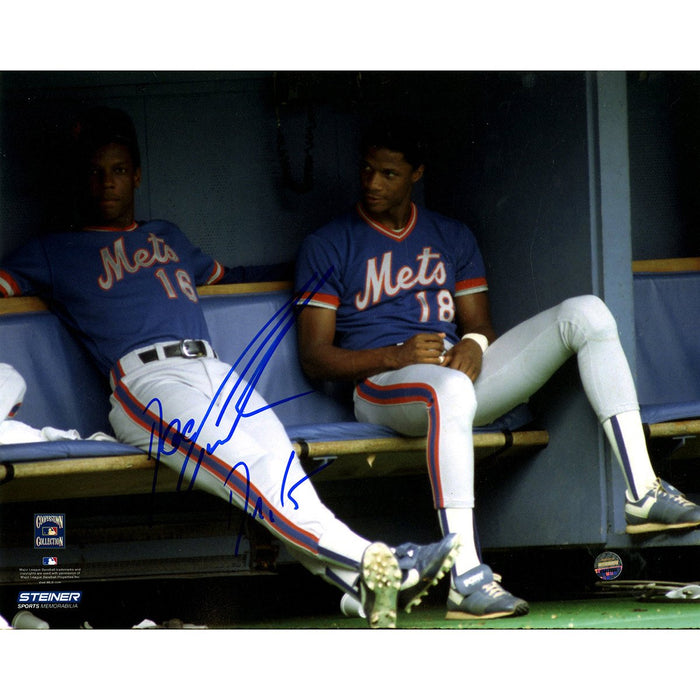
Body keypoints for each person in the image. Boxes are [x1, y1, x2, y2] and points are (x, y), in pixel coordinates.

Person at [0, 107, 462, 629]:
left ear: (137, 174)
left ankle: (358, 586)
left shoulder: (167, 237)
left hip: (214, 370)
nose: (108, 182)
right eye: (96, 171)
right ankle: (381, 563)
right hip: (146, 382)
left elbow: (233, 274)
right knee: (248, 470)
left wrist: (325, 270)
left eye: (119, 169)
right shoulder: (54, 250)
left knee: (281, 465)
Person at [294, 118, 700, 620]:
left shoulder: (451, 235)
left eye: (388, 173)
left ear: (416, 173)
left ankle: (643, 489)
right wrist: (394, 356)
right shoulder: (330, 242)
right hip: (382, 389)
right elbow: (315, 356)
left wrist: (474, 343)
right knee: (449, 391)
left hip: (450, 383)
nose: (373, 183)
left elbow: (479, 324)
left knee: (587, 313)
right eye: (367, 170)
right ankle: (465, 575)